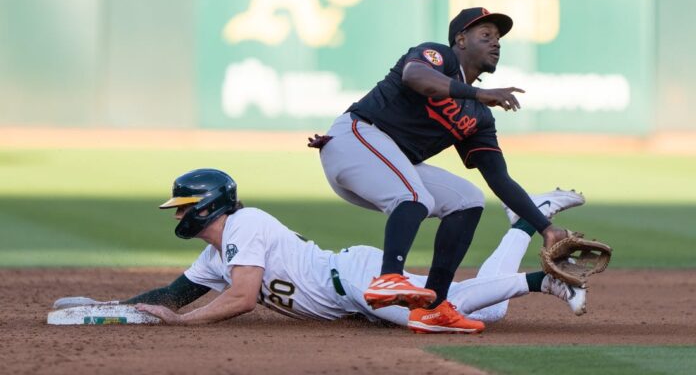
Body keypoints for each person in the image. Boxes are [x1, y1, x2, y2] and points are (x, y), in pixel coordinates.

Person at [57, 169, 586, 333]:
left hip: (353, 278)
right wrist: (114, 307)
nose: (177, 215)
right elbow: (173, 296)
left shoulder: (245, 224)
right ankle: (525, 220)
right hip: (351, 295)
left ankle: (541, 281)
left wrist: (183, 324)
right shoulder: (217, 255)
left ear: (208, 206)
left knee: (430, 317)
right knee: (488, 311)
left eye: (184, 207)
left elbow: (242, 298)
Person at [308, 6, 573, 332]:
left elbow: (498, 178)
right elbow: (414, 76)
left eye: (498, 38)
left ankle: (433, 307)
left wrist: (545, 228)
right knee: (415, 196)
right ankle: (389, 278)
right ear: (461, 40)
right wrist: (480, 93)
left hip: (381, 165)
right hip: (354, 139)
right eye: (486, 35)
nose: (496, 43)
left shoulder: (479, 116)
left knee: (468, 199)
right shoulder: (438, 56)